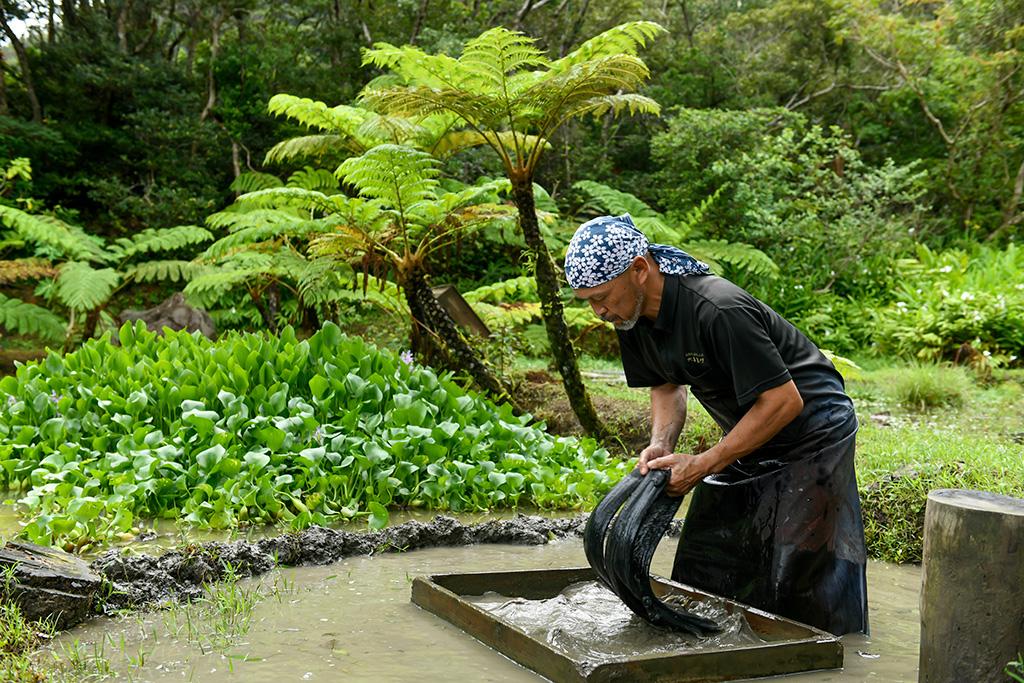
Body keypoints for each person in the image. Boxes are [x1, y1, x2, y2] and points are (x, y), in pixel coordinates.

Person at [565, 213, 869, 636]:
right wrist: (660, 443)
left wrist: (705, 462)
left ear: (639, 269)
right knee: (710, 555)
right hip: (752, 432)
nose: (598, 311)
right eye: (588, 301)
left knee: (800, 571)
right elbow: (666, 386)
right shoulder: (629, 318)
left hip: (813, 434)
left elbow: (784, 401)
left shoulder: (717, 308)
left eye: (602, 297)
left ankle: (828, 655)